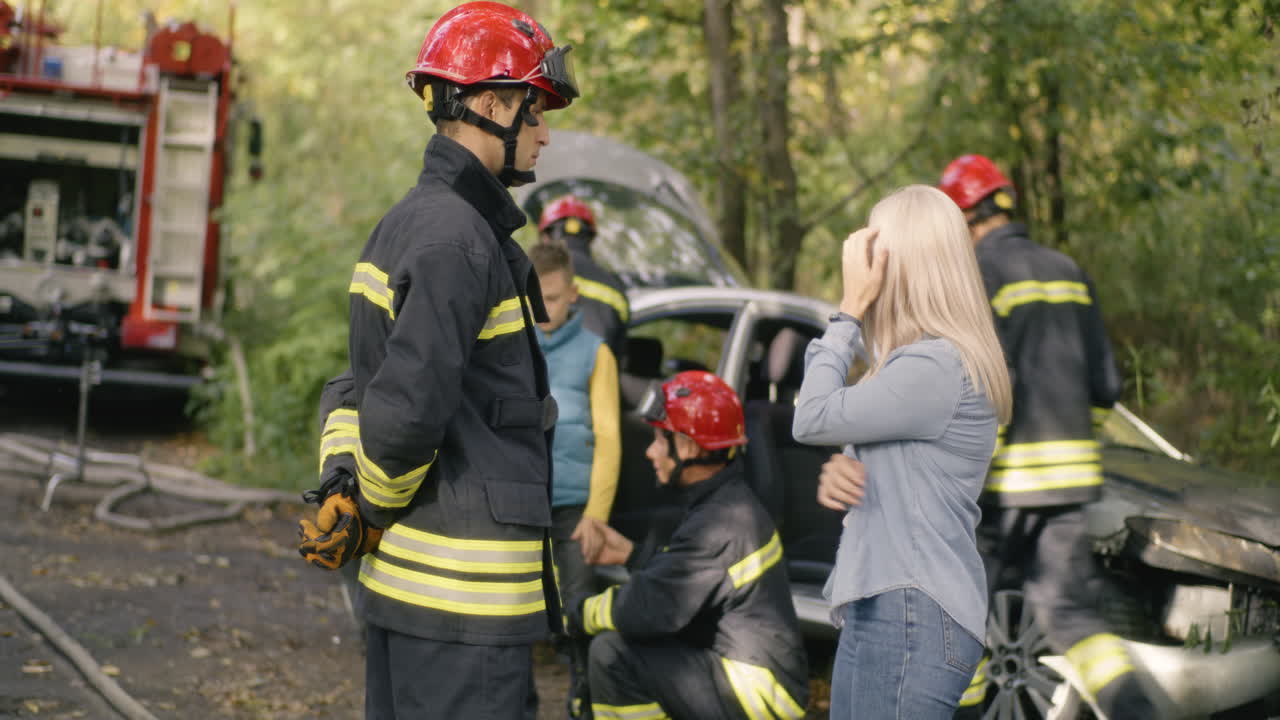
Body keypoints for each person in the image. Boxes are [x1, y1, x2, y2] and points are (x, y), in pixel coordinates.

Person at [294, 3, 579, 718]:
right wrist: (369, 507)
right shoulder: (460, 241)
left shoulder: (409, 223)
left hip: (415, 602)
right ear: (489, 104)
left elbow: (354, 388)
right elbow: (404, 413)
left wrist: (344, 487)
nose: (545, 133)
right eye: (535, 111)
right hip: (463, 611)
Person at [939, 154, 1157, 717]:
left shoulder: (978, 275)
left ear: (965, 220)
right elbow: (1106, 386)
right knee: (1073, 618)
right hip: (1071, 488)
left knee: (959, 615)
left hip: (1004, 486)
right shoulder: (1068, 268)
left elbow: (989, 385)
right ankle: (1138, 711)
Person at [791, 185, 1013, 719]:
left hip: (910, 610)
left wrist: (847, 311)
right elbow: (883, 453)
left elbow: (810, 416)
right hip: (895, 604)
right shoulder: (923, 364)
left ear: (900, 267)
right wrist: (845, 466)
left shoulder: (934, 365)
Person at [566, 371, 809, 720]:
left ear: (690, 447)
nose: (650, 451)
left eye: (659, 440)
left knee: (613, 653)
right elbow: (687, 588)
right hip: (755, 681)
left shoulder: (721, 522)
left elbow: (642, 609)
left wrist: (575, 614)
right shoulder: (726, 504)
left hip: (760, 700)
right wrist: (631, 556)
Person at [529, 242, 621, 717]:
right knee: (516, 617)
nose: (543, 309)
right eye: (535, 296)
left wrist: (596, 515)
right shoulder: (507, 348)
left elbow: (609, 439)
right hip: (520, 506)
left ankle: (582, 705)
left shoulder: (594, 353)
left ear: (574, 294)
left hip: (574, 508)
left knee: (578, 616)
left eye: (554, 297)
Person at [538, 195, 630, 360]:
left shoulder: (536, 275)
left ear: (546, 236)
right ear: (590, 238)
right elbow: (619, 351)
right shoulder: (616, 287)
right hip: (599, 377)